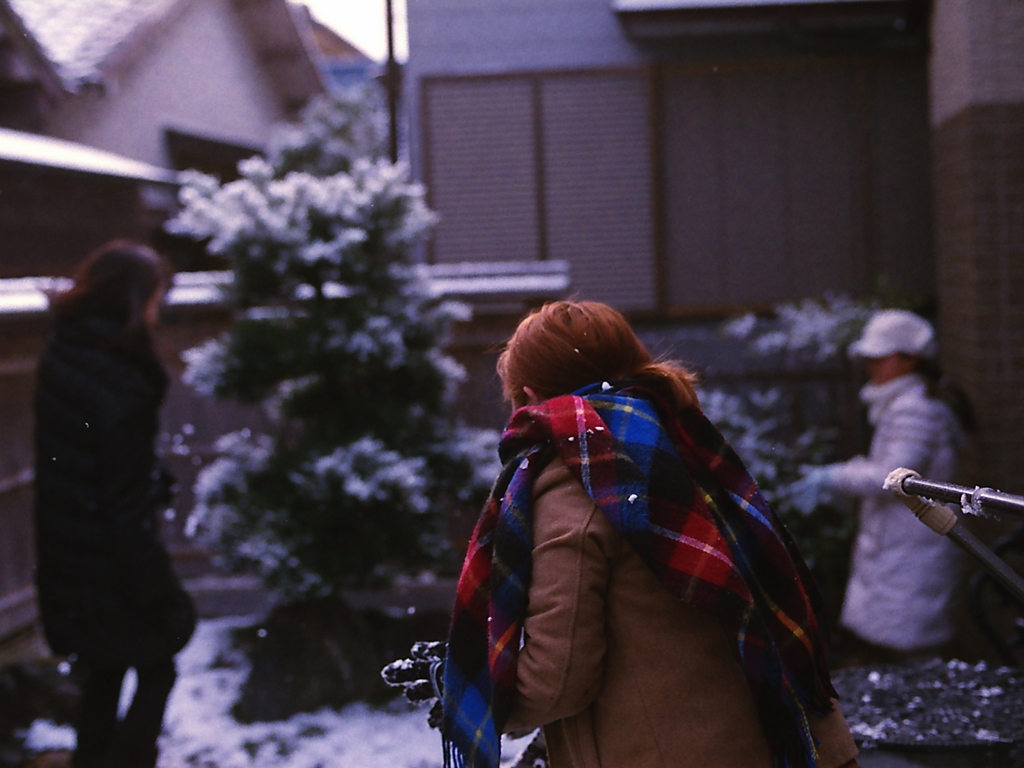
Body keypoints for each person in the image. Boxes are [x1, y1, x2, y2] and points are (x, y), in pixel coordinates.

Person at [440, 301, 858, 768]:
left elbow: (558, 678)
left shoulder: (577, 482)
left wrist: (468, 696)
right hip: (788, 736)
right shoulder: (682, 441)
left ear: (529, 394)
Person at [33, 240, 196, 768]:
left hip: (67, 556)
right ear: (131, 300)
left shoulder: (66, 354)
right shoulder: (120, 384)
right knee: (157, 666)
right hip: (108, 561)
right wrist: (159, 594)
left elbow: (82, 464)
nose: (157, 312)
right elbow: (121, 504)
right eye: (155, 299)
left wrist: (146, 479)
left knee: (104, 674)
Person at [800, 309, 969, 663]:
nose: (871, 366)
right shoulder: (906, 402)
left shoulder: (915, 409)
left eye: (879, 358)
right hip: (903, 546)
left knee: (918, 656)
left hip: (912, 550)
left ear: (909, 360)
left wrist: (836, 476)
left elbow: (893, 477)